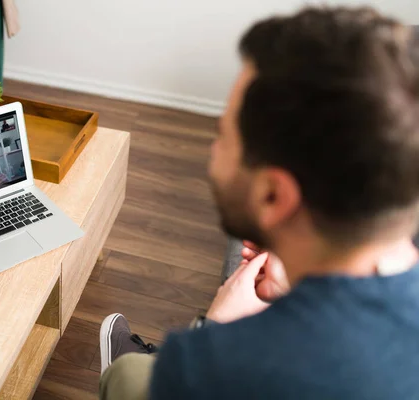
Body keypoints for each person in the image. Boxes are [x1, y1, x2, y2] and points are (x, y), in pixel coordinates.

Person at [99, 6, 419, 399]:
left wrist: (213, 333)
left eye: (224, 135)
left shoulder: (207, 368)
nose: (214, 150)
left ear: (274, 195)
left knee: (129, 375)